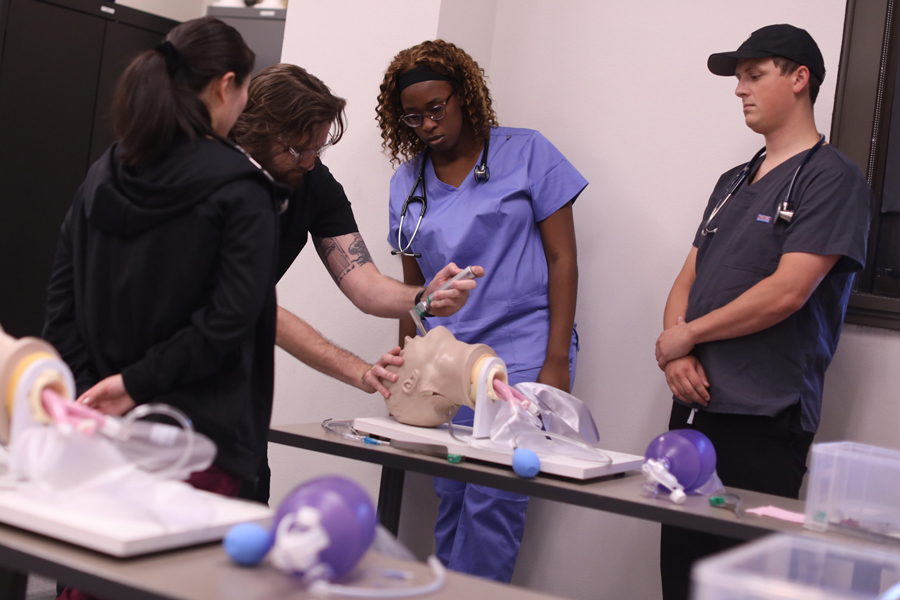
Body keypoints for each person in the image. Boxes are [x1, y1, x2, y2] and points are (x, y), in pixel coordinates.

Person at [41, 16, 276, 600]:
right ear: (225, 86)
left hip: (103, 433)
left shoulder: (105, 173)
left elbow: (60, 304)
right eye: (245, 91)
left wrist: (101, 393)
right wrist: (139, 384)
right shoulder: (241, 190)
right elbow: (228, 321)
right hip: (200, 442)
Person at [654, 24, 872, 600]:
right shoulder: (733, 181)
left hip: (763, 418)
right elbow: (688, 278)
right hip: (696, 407)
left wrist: (685, 337)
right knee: (681, 578)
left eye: (755, 75)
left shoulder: (832, 179)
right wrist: (677, 348)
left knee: (740, 586)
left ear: (800, 79)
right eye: (738, 78)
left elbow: (787, 292)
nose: (739, 90)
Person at [376, 40, 587, 583]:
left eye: (436, 107)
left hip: (521, 351)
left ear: (464, 95)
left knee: (494, 498)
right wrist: (405, 367)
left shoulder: (528, 153)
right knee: (451, 492)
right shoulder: (408, 182)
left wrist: (557, 360)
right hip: (449, 359)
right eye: (413, 116)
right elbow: (413, 292)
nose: (426, 124)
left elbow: (563, 259)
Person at [230, 64, 482, 501]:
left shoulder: (312, 181)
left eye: (318, 148)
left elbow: (363, 283)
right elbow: (257, 308)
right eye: (296, 150)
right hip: (162, 368)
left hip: (236, 377)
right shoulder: (218, 183)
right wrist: (359, 371)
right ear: (256, 133)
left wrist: (423, 299)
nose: (309, 162)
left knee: (244, 505)